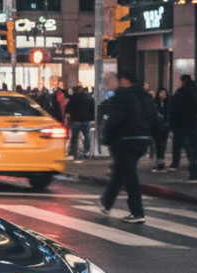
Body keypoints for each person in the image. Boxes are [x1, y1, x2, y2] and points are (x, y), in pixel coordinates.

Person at [101, 70, 159, 224]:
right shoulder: (146, 96)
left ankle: (137, 212)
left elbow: (115, 120)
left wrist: (107, 137)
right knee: (120, 171)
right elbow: (154, 118)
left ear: (125, 81)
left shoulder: (121, 96)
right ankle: (107, 203)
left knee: (129, 175)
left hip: (126, 140)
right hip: (142, 139)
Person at [168, 74, 197, 177]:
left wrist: (172, 123)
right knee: (193, 147)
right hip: (194, 124)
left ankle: (178, 164)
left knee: (180, 145)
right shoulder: (195, 91)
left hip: (181, 125)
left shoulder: (181, 92)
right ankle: (194, 167)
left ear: (183, 81)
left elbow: (175, 109)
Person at [66, 85, 95, 160]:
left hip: (76, 120)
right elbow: (93, 108)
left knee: (74, 137)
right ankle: (86, 152)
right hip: (86, 120)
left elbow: (68, 108)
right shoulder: (89, 97)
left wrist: (71, 116)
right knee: (87, 137)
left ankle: (73, 153)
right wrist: (92, 118)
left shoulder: (73, 98)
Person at [153, 87, 170, 171]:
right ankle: (160, 160)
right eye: (161, 92)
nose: (162, 94)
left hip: (166, 126)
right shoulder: (155, 103)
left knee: (163, 143)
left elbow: (169, 113)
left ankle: (161, 159)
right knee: (158, 144)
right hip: (157, 126)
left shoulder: (168, 103)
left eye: (164, 93)